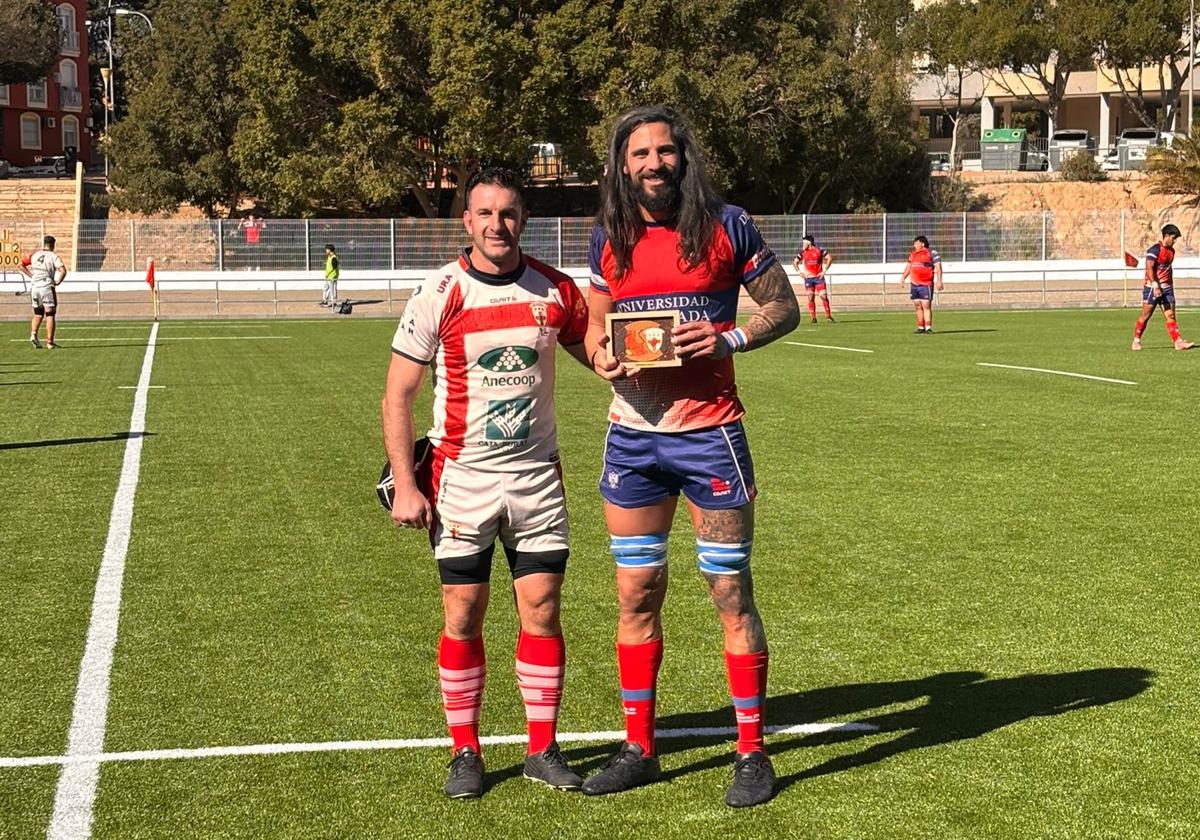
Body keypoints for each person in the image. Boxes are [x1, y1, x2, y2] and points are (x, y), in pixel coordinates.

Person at [581, 105, 800, 808]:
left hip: (712, 435)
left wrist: (728, 339)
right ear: (622, 165)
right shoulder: (606, 237)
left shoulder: (729, 224)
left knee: (730, 593)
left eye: (665, 151)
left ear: (684, 157)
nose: (653, 163)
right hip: (634, 440)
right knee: (636, 594)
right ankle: (639, 746)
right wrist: (602, 358)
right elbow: (592, 329)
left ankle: (752, 751)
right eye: (639, 153)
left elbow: (783, 306)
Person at [382, 167, 612, 800]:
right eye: (485, 214)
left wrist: (610, 357)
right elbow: (397, 394)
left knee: (541, 611)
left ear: (523, 221)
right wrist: (407, 483)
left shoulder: (554, 290)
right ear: (467, 222)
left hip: (537, 480)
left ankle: (542, 748)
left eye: (508, 214)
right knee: (463, 615)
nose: (497, 225)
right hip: (463, 482)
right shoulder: (439, 293)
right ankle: (466, 750)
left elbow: (587, 344)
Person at [1132, 223, 1194, 351]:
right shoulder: (1154, 250)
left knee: (1170, 315)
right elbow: (1149, 267)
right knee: (1146, 315)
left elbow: (1167, 269)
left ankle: (1178, 342)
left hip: (1167, 288)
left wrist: (1168, 285)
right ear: (1166, 236)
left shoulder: (1171, 251)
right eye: (1173, 237)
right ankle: (1136, 341)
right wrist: (1155, 284)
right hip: (1152, 288)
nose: (1175, 241)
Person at [19, 234, 67, 349]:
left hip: (35, 287)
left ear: (44, 244)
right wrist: (58, 281)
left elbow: (20, 264)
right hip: (46, 286)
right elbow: (63, 270)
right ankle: (50, 342)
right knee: (50, 314)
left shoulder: (34, 254)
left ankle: (33, 334)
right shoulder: (53, 256)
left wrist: (31, 275)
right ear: (53, 245)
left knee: (38, 313)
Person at [899, 235, 942, 333]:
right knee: (917, 305)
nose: (914, 245)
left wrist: (939, 281)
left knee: (926, 305)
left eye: (916, 243)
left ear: (922, 243)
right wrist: (903, 277)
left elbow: (938, 267)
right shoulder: (913, 254)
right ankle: (920, 327)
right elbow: (909, 266)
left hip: (925, 284)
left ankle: (928, 327)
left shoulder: (931, 253)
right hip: (914, 284)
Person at [792, 234, 834, 323]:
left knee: (823, 296)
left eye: (804, 243)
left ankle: (829, 316)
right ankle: (813, 318)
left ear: (809, 243)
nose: (803, 245)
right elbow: (795, 262)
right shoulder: (802, 253)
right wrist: (799, 272)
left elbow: (829, 258)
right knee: (810, 297)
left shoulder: (819, 250)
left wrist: (824, 271)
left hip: (818, 277)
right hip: (809, 278)